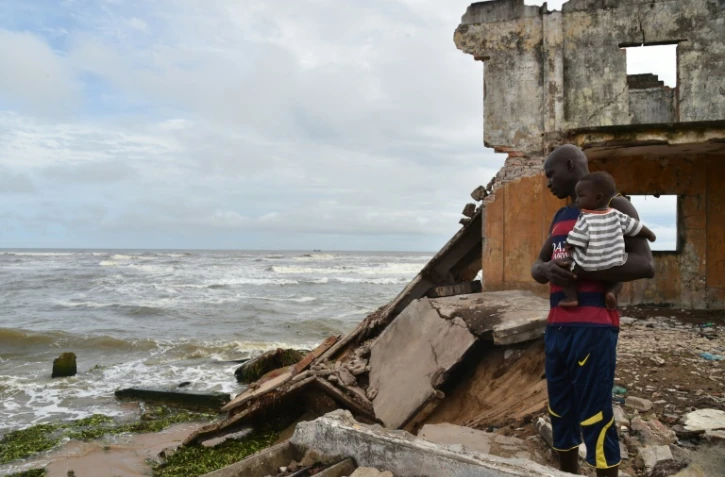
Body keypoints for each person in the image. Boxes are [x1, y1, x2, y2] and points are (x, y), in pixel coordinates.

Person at [531, 144, 655, 477]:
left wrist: (584, 270)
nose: (548, 183)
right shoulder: (561, 216)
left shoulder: (615, 205)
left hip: (594, 329)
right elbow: (538, 263)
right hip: (557, 329)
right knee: (560, 412)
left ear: (571, 165)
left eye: (551, 174)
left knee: (595, 415)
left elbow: (645, 264)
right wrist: (545, 271)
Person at [559, 171, 657, 310]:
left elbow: (578, 236)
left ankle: (571, 297)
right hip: (613, 260)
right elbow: (635, 226)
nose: (577, 200)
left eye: (581, 196)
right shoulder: (617, 214)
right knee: (617, 277)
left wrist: (569, 245)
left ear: (598, 198)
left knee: (565, 270)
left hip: (589, 262)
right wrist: (650, 234)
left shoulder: (585, 218)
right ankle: (611, 292)